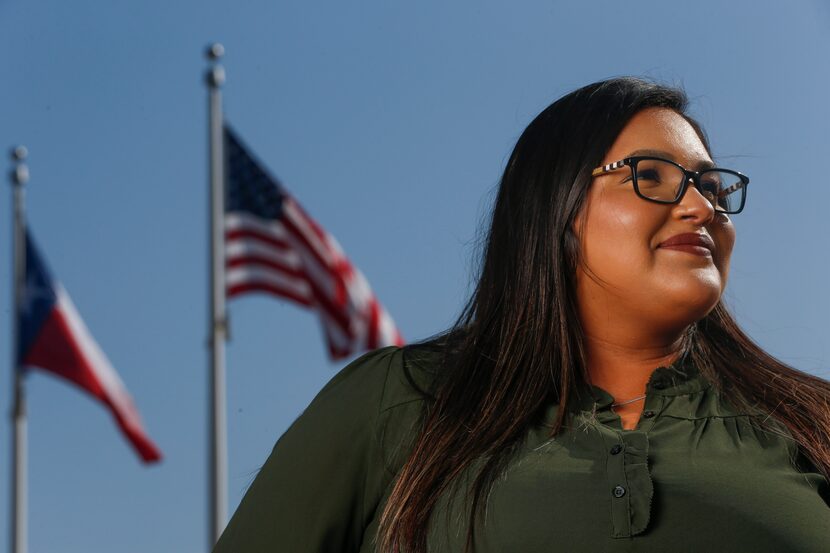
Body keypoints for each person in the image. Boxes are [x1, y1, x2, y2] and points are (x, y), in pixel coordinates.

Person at [213, 77, 830, 553]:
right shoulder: (394, 402)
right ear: (556, 208)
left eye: (714, 189)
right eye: (652, 176)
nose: (701, 207)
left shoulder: (813, 424)